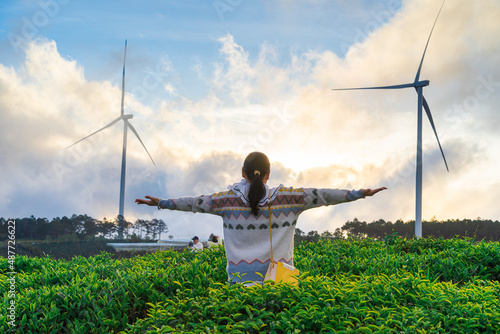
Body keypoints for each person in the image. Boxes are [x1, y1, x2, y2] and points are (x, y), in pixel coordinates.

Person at [136, 152, 386, 285]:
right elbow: (323, 195)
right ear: (268, 174)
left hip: (239, 282)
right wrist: (357, 194)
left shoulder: (225, 200)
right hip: (279, 281)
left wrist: (162, 203)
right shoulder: (289, 198)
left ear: (242, 173)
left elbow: (194, 202)